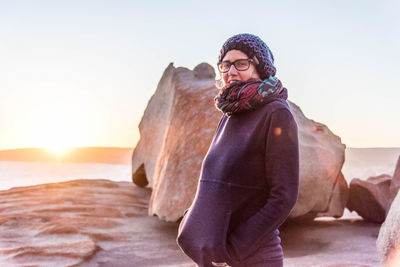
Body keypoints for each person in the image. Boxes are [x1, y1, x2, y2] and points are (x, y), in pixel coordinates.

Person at [176, 33, 299, 267]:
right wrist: (191, 222)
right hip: (216, 257)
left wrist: (233, 251)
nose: (230, 72)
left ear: (260, 67)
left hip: (251, 258)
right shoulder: (231, 112)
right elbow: (215, 182)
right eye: (224, 65)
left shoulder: (276, 113)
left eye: (241, 63)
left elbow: (284, 196)